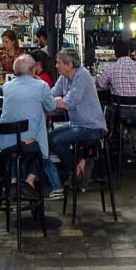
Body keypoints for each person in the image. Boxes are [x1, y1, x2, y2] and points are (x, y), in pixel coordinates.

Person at [0, 54, 61, 198]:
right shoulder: (41, 86)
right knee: (40, 147)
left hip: (3, 142)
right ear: (32, 70)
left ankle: (13, 182)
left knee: (20, 146)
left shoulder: (7, 86)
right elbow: (51, 107)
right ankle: (29, 181)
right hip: (27, 143)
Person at [48, 48, 107, 199]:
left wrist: (54, 102)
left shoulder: (82, 76)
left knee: (55, 140)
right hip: (77, 123)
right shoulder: (65, 77)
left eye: (59, 63)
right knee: (49, 139)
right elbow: (53, 93)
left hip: (92, 125)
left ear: (69, 65)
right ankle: (78, 166)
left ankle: (75, 171)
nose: (56, 66)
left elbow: (68, 102)